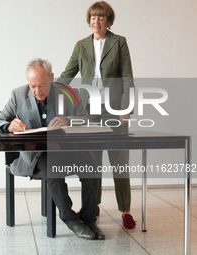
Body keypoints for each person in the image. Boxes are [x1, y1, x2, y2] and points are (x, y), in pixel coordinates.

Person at [0, 58, 105, 240]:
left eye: (42, 85)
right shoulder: (17, 95)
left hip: (67, 151)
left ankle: (88, 218)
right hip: (37, 156)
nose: (37, 91)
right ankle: (71, 219)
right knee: (53, 169)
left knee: (91, 166)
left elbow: (86, 120)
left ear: (52, 78)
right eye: (33, 86)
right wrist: (8, 126)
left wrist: (68, 121)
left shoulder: (68, 93)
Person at [56, 1, 136, 229]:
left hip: (114, 110)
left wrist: (126, 108)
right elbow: (67, 74)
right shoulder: (81, 45)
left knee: (119, 161)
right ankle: (94, 205)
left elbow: (127, 77)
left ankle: (126, 210)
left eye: (101, 18)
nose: (96, 21)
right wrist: (46, 89)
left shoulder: (119, 42)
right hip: (89, 111)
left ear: (108, 21)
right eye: (93, 17)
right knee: (93, 160)